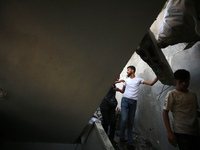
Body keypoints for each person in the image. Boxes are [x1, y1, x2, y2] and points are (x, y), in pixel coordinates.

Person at [116, 65, 158, 149]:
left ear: (132, 70)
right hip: (125, 101)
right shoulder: (126, 80)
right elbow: (123, 91)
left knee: (130, 122)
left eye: (128, 70)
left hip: (133, 103)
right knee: (124, 119)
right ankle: (121, 139)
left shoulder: (139, 80)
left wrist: (158, 76)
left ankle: (130, 143)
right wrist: (119, 89)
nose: (127, 71)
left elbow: (151, 83)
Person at [163, 69, 200, 150]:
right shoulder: (172, 94)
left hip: (195, 131)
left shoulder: (193, 94)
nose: (184, 84)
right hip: (181, 132)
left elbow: (194, 111)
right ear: (176, 81)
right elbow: (165, 112)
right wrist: (169, 132)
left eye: (186, 81)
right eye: (181, 81)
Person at [100, 76, 124, 144]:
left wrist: (121, 88)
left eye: (118, 77)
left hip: (112, 106)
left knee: (113, 122)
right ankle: (104, 139)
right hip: (105, 105)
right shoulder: (108, 83)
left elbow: (121, 91)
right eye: (117, 77)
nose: (118, 79)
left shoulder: (114, 85)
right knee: (106, 122)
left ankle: (111, 139)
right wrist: (119, 81)